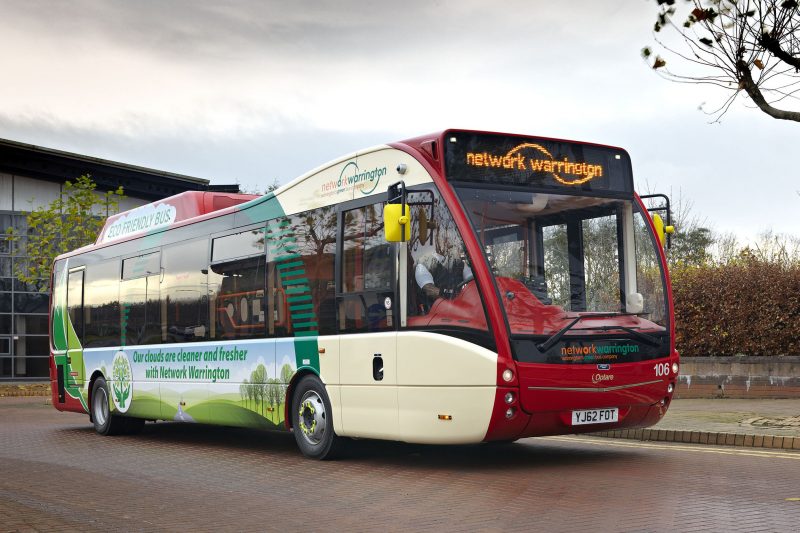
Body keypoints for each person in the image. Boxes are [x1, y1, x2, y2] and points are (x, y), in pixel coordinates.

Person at [414, 244, 474, 308]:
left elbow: (473, 283)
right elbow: (429, 289)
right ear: (436, 241)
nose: (452, 245)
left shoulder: (459, 263)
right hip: (434, 312)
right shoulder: (424, 263)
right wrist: (449, 293)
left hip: (460, 309)